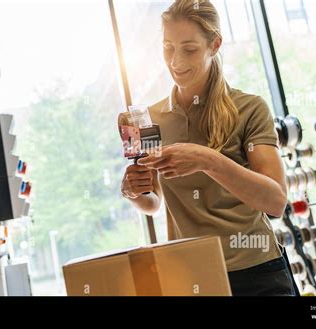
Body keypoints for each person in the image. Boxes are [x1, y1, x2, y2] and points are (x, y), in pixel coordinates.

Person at [120, 0, 298, 296]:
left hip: (257, 273)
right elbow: (153, 201)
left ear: (214, 45)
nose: (175, 61)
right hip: (191, 277)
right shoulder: (149, 119)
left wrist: (207, 159)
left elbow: (276, 201)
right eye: (168, 47)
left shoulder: (250, 109)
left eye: (189, 49)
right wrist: (134, 192)